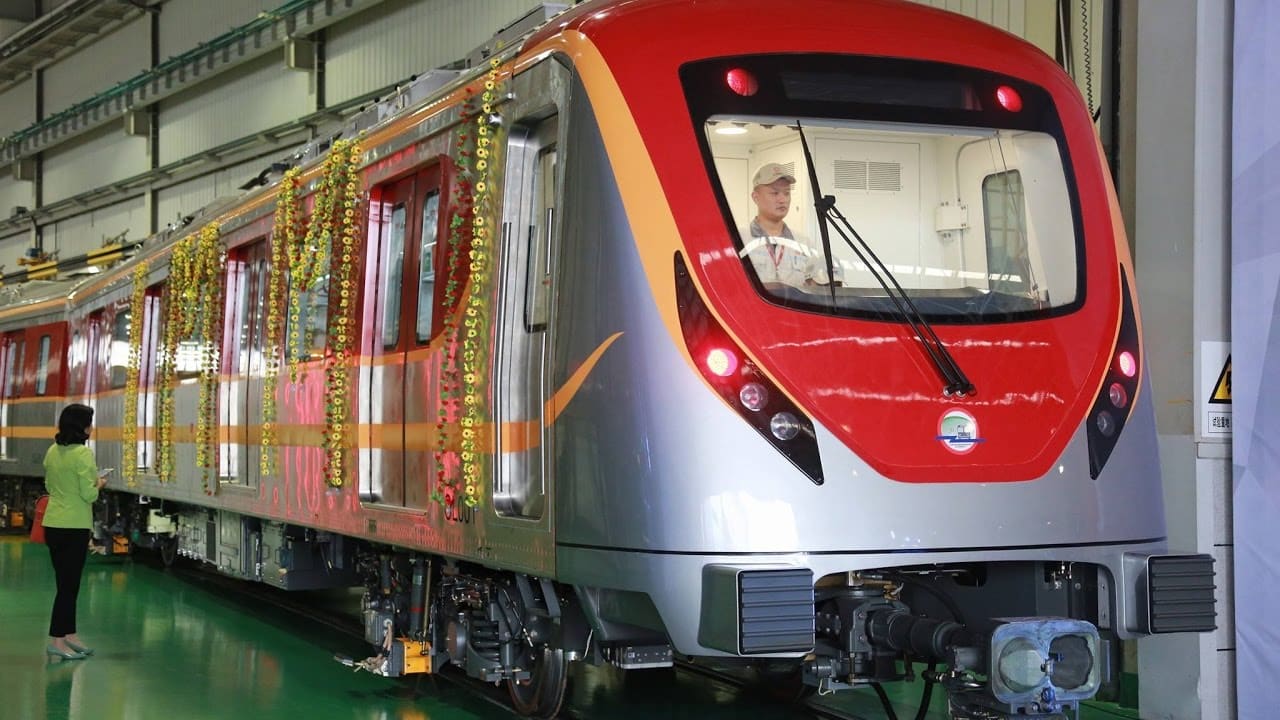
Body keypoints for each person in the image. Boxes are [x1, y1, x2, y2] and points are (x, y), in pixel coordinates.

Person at [41, 403, 106, 660]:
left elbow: (48, 484)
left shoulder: (52, 452)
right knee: (68, 587)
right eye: (90, 422)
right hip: (74, 525)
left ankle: (70, 635)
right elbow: (89, 493)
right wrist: (99, 482)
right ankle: (58, 641)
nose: (92, 427)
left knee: (65, 584)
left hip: (53, 523)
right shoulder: (83, 455)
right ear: (83, 427)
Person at [739, 162, 841, 288]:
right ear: (755, 197)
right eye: (775, 193)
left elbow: (815, 289)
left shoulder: (804, 243)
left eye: (787, 193)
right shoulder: (739, 240)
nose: (782, 199)